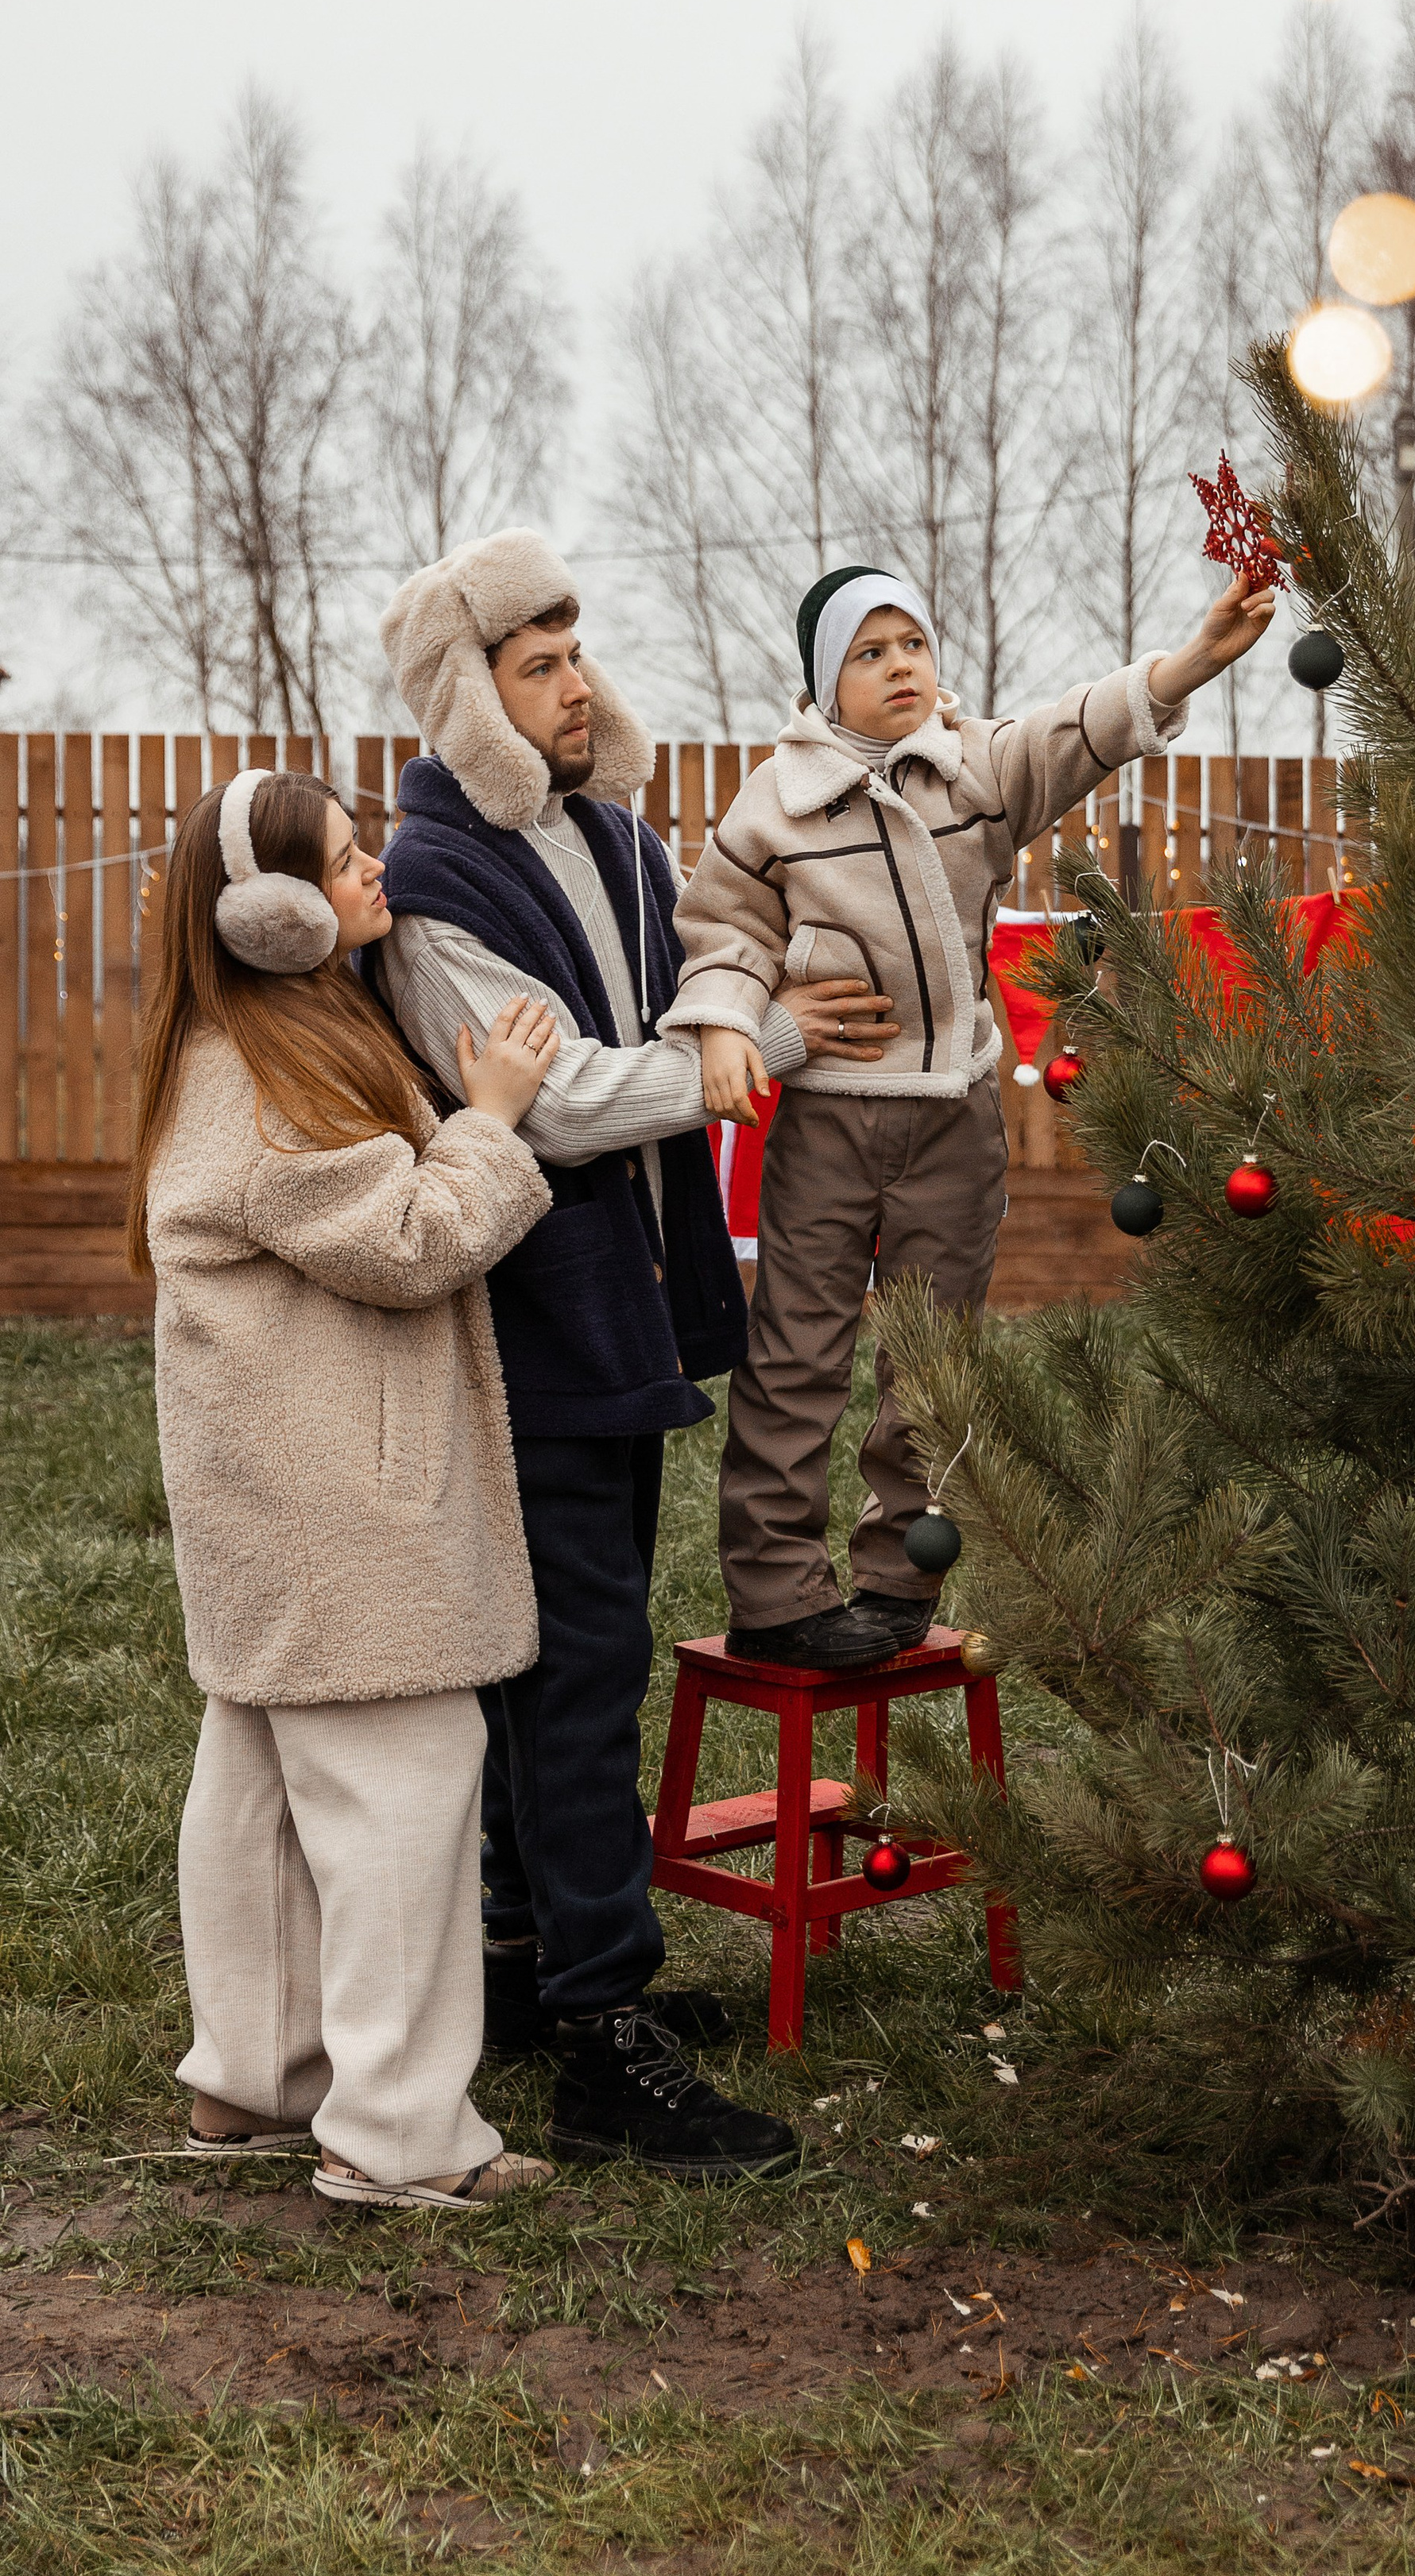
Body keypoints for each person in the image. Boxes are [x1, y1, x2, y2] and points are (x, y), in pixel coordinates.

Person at [373, 526, 896, 2176]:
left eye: (574, 647)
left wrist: (779, 977)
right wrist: (780, 1044)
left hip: (622, 1307)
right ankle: (605, 2036)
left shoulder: (611, 831)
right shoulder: (437, 882)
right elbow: (569, 1099)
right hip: (533, 1325)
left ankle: (526, 1969)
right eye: (534, 665)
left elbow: (686, 994)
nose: (574, 681)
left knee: (561, 1655)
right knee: (578, 1672)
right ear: (469, 696)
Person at [667, 563, 1278, 1670]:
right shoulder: (777, 803)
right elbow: (723, 931)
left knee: (934, 1355)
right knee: (798, 1348)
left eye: (913, 644)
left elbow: (1079, 727)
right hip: (828, 1116)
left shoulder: (977, 770)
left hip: (952, 1116)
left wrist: (1193, 659)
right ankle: (772, 1589)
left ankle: (901, 1574)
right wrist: (724, 1025)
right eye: (870, 651)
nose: (902, 664)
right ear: (823, 682)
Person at [135, 765, 560, 2211]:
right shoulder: (265, 1086)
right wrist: (493, 1113)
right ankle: (395, 2130)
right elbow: (417, 1239)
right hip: (340, 1515)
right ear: (263, 919)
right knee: (406, 1787)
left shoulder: (254, 1053)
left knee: (257, 1783)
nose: (374, 868)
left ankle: (250, 2075)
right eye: (340, 858)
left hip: (282, 1500)